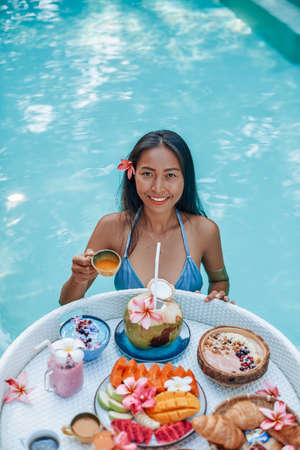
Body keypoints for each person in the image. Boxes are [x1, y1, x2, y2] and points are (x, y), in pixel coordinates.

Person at [59, 130, 230, 305]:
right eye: (147, 174)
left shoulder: (205, 231)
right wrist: (78, 278)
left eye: (170, 175)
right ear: (133, 175)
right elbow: (67, 302)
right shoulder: (112, 227)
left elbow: (219, 280)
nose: (157, 187)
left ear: (185, 179)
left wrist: (217, 296)